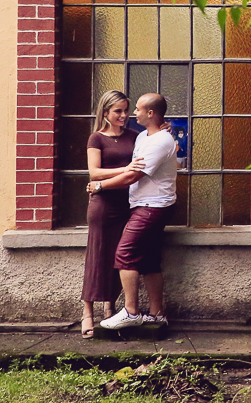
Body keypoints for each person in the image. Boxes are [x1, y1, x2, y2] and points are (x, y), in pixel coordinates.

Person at [95, 93, 179, 330]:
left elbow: (133, 175)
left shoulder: (161, 140)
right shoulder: (144, 135)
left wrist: (100, 185)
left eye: (139, 109)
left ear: (151, 113)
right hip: (144, 205)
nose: (134, 114)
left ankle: (131, 312)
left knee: (125, 254)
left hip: (153, 207)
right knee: (150, 260)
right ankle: (156, 314)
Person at [79, 90, 144, 338]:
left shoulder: (135, 136)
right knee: (97, 256)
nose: (124, 115)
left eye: (126, 110)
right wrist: (125, 168)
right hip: (103, 205)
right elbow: (94, 173)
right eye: (118, 111)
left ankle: (111, 306)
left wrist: (166, 130)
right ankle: (87, 313)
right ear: (105, 112)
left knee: (121, 257)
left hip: (128, 203)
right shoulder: (96, 138)